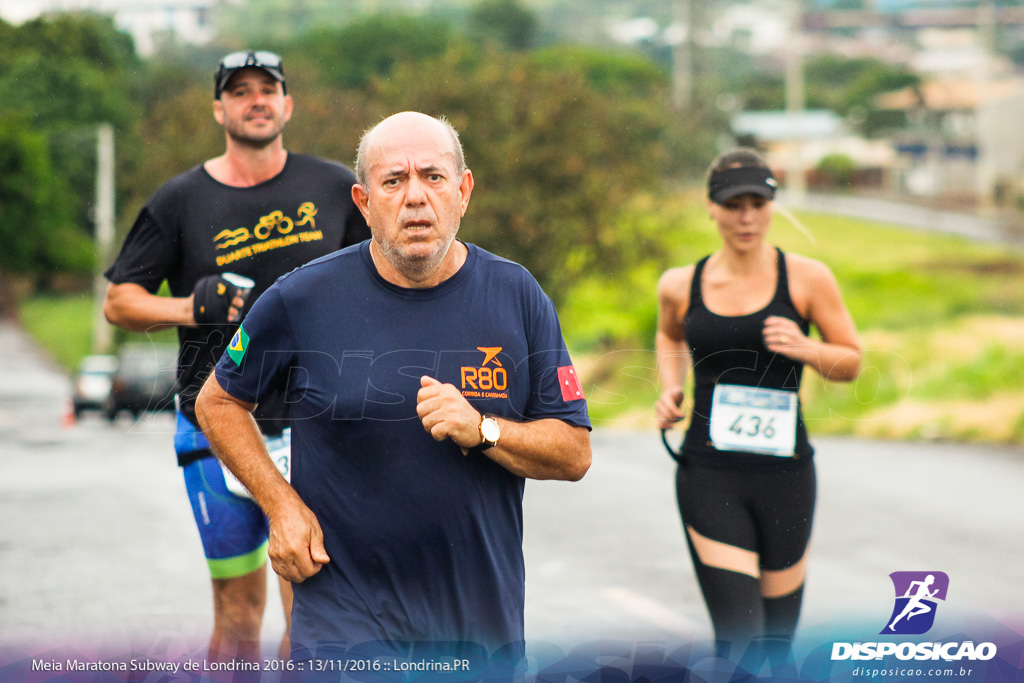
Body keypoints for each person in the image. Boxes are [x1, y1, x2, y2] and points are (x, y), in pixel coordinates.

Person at [194, 111, 592, 671]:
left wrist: (483, 430)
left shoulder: (516, 294)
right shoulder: (302, 298)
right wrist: (279, 504)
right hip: (344, 617)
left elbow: (573, 452)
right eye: (393, 181)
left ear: (463, 190)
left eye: (432, 177)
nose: (415, 198)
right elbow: (218, 400)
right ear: (363, 201)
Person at [103, 50, 370, 662]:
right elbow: (120, 302)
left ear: (288, 104)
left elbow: (377, 276)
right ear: (219, 108)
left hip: (314, 428)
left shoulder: (331, 187)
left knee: (312, 616)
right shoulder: (179, 201)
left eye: (268, 89)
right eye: (241, 91)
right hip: (215, 427)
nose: (256, 100)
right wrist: (191, 309)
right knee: (238, 617)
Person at [654, 148, 861, 662]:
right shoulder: (681, 284)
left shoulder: (808, 279)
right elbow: (667, 333)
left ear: (771, 206)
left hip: (786, 477)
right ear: (711, 208)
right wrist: (671, 388)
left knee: (776, 645)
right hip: (708, 471)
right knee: (741, 641)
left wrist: (805, 348)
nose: (746, 217)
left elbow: (851, 363)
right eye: (733, 205)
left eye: (757, 203)